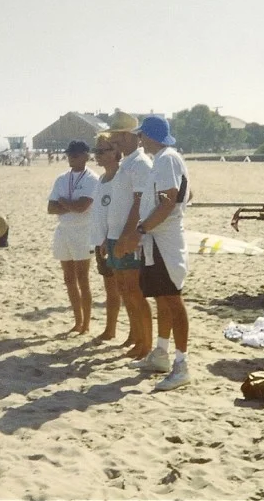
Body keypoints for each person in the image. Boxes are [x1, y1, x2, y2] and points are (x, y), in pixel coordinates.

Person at [119, 116, 192, 391]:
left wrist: (140, 230)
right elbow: (180, 194)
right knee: (163, 297)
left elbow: (168, 201)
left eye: (142, 136)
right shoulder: (164, 159)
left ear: (149, 136)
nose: (140, 140)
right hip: (158, 237)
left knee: (173, 298)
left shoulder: (166, 158)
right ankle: (161, 353)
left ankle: (182, 364)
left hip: (165, 238)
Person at [108, 111, 154, 359]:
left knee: (135, 291)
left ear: (130, 136)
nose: (115, 141)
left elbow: (140, 203)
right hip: (117, 234)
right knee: (125, 289)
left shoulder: (140, 164)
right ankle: (137, 336)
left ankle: (145, 343)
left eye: (119, 136)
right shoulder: (126, 163)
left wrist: (127, 235)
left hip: (129, 236)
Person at [48, 139, 99, 334]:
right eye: (69, 154)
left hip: (83, 231)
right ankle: (77, 321)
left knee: (82, 278)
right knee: (69, 278)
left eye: (76, 155)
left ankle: (86, 323)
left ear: (86, 156)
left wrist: (64, 203)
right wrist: (70, 205)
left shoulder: (92, 179)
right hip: (64, 230)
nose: (71, 158)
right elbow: (51, 208)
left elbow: (82, 207)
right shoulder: (62, 178)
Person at [89, 132, 121, 341]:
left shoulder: (122, 177)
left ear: (116, 152)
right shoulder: (101, 179)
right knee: (110, 289)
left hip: (116, 240)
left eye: (102, 150)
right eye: (96, 150)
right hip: (101, 242)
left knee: (126, 290)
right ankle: (110, 329)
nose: (97, 155)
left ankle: (136, 336)